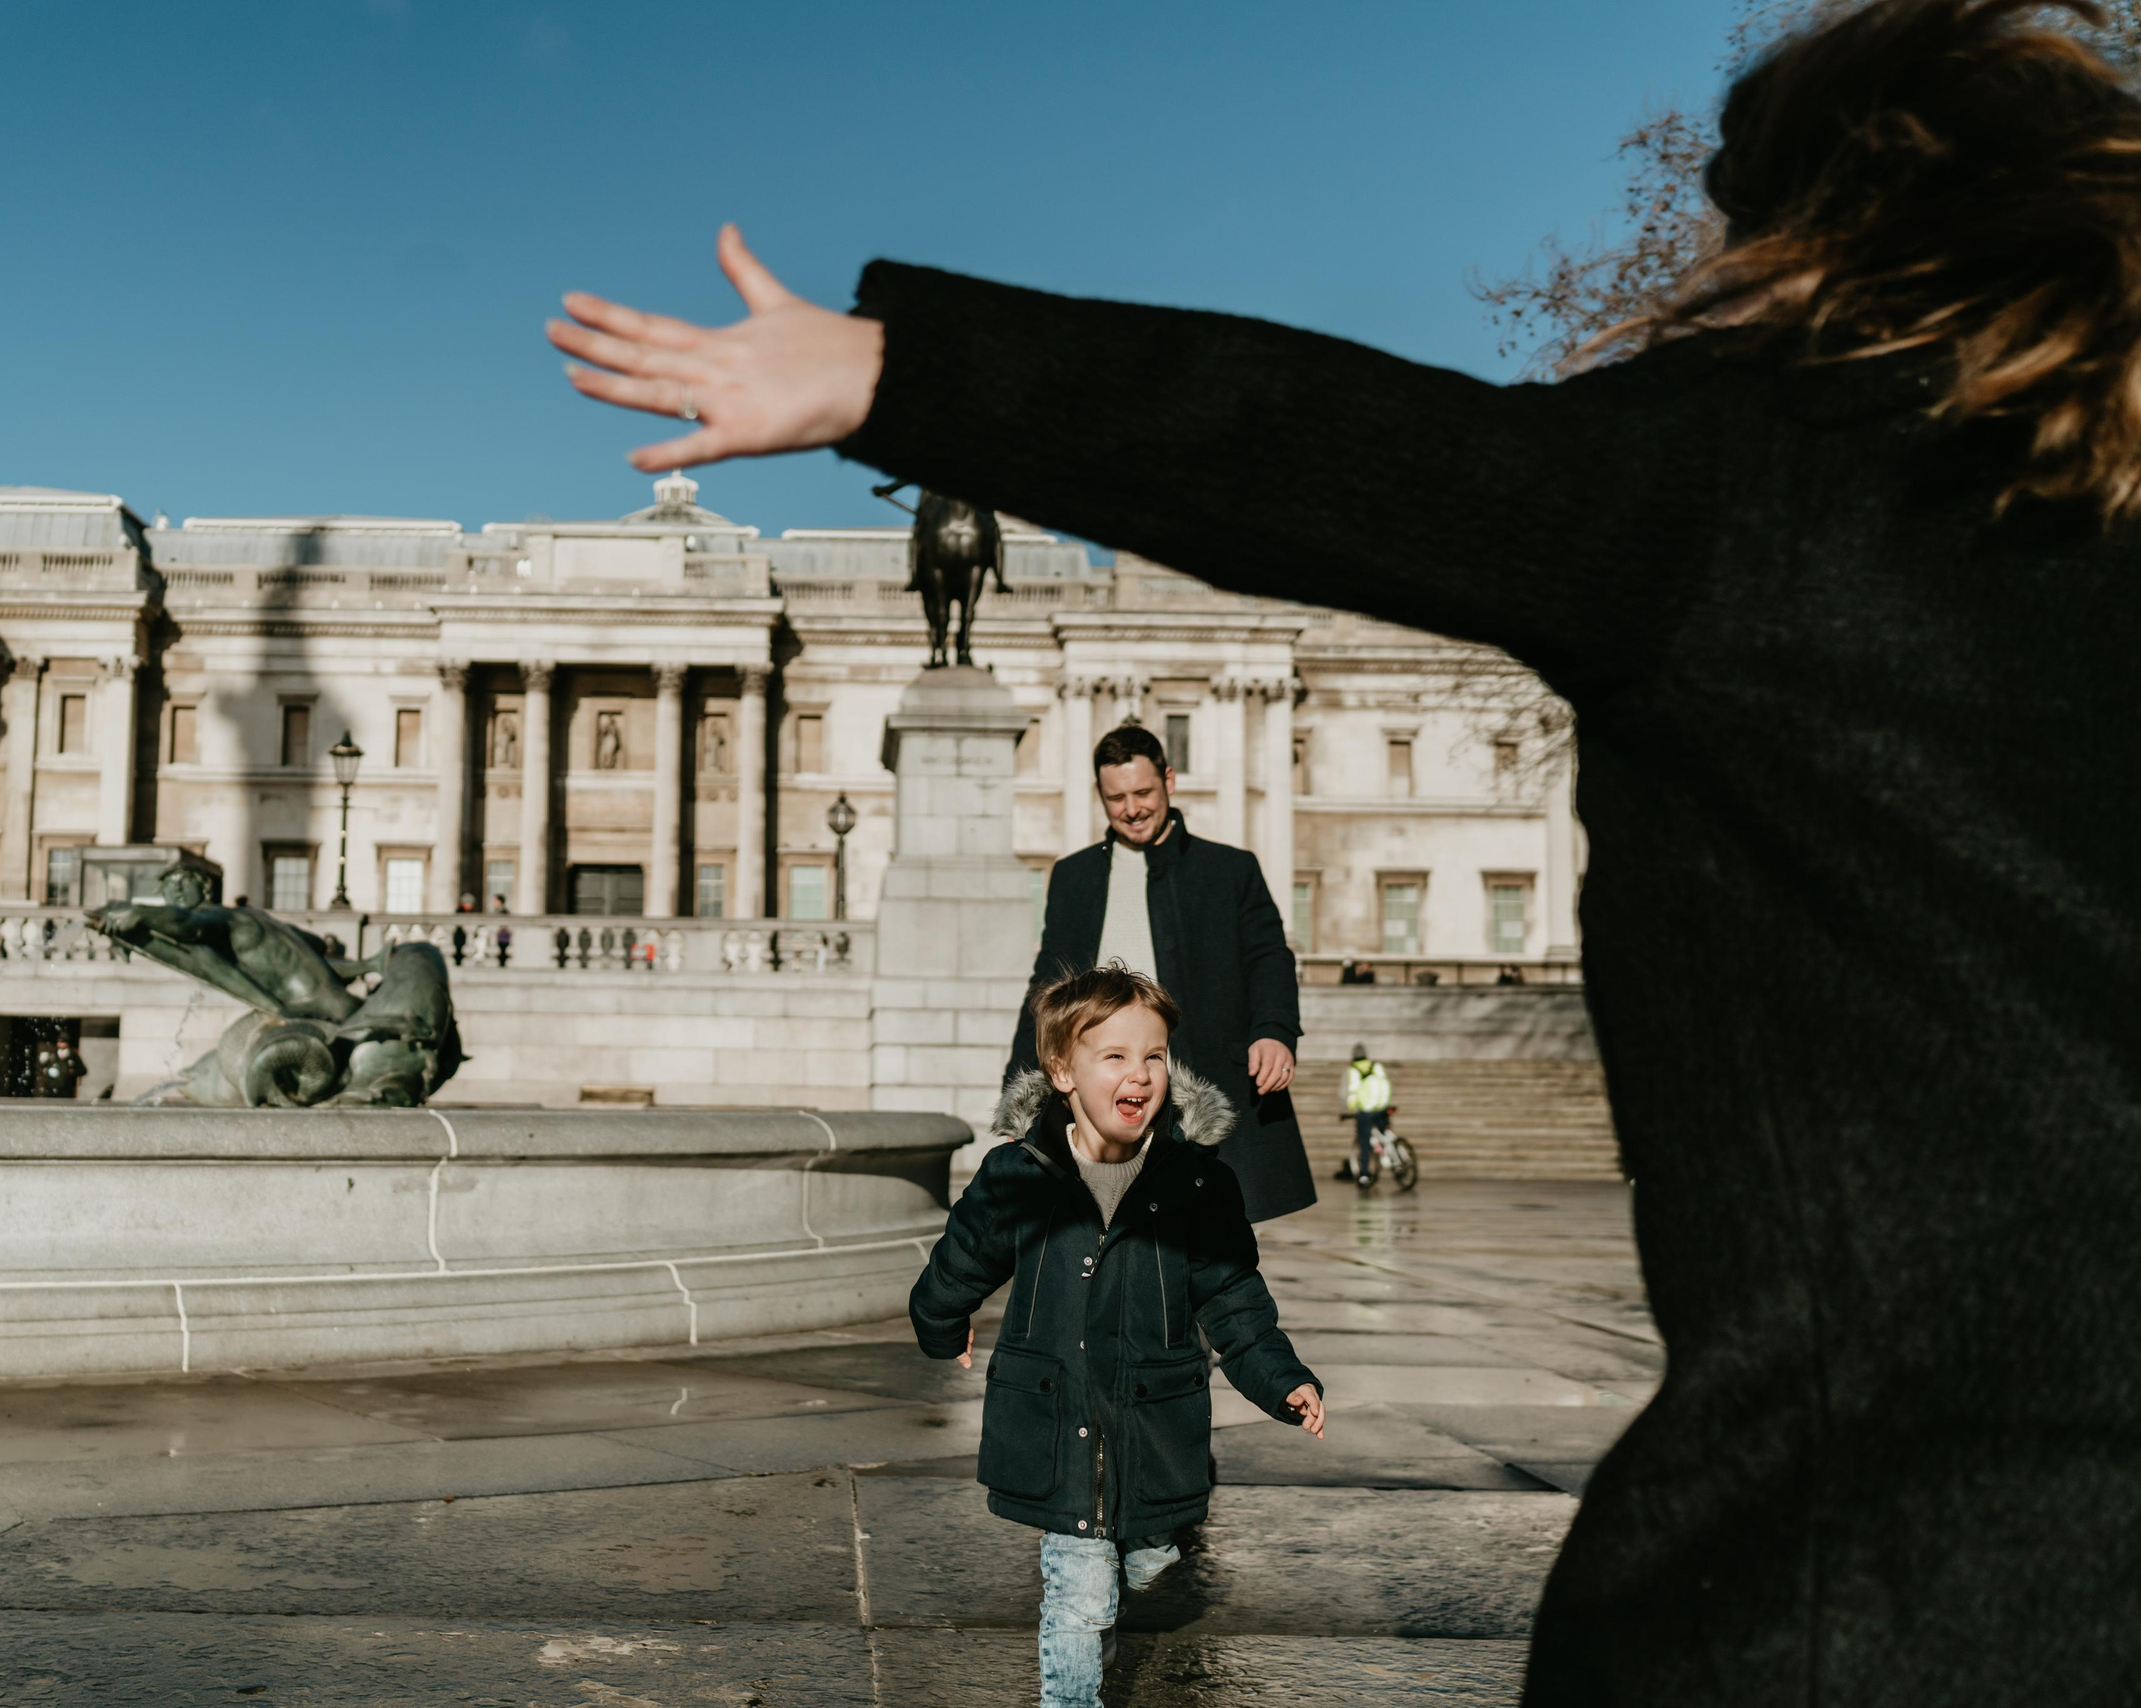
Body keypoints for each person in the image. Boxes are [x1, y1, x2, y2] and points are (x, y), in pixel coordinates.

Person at [548, 4, 2141, 1693]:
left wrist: (899, 374)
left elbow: (1314, 436)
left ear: (1824, 226)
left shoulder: (1765, 484)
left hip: (1891, 1556)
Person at [910, 965, 1323, 1708]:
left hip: (1154, 1417)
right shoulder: (1018, 1174)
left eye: (1154, 1056)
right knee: (1078, 1594)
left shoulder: (1198, 1184)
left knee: (1150, 1560)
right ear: (1063, 1073)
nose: (1139, 1075)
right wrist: (942, 1322)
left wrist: (1280, 1378)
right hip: (1056, 1417)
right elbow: (962, 1258)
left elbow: (1233, 1298)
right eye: (1115, 1057)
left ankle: (1144, 1544)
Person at [1005, 723, 1314, 1219]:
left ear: (1169, 781)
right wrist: (1019, 1091)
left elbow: (1269, 956)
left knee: (1214, 1248)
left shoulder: (1231, 869)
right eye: (1117, 797)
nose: (1132, 809)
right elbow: (1048, 988)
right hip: (1103, 1091)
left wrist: (1274, 1031)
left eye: (1144, 792)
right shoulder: (1074, 876)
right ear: (1100, 797)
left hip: (1202, 1083)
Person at [1342, 1045, 1393, 1190]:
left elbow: (1352, 1091)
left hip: (1366, 1110)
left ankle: (1364, 1173)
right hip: (1382, 1106)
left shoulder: (1353, 1069)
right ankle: (1390, 1153)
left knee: (1364, 1142)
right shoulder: (1376, 1065)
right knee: (1383, 1133)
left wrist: (1350, 1110)